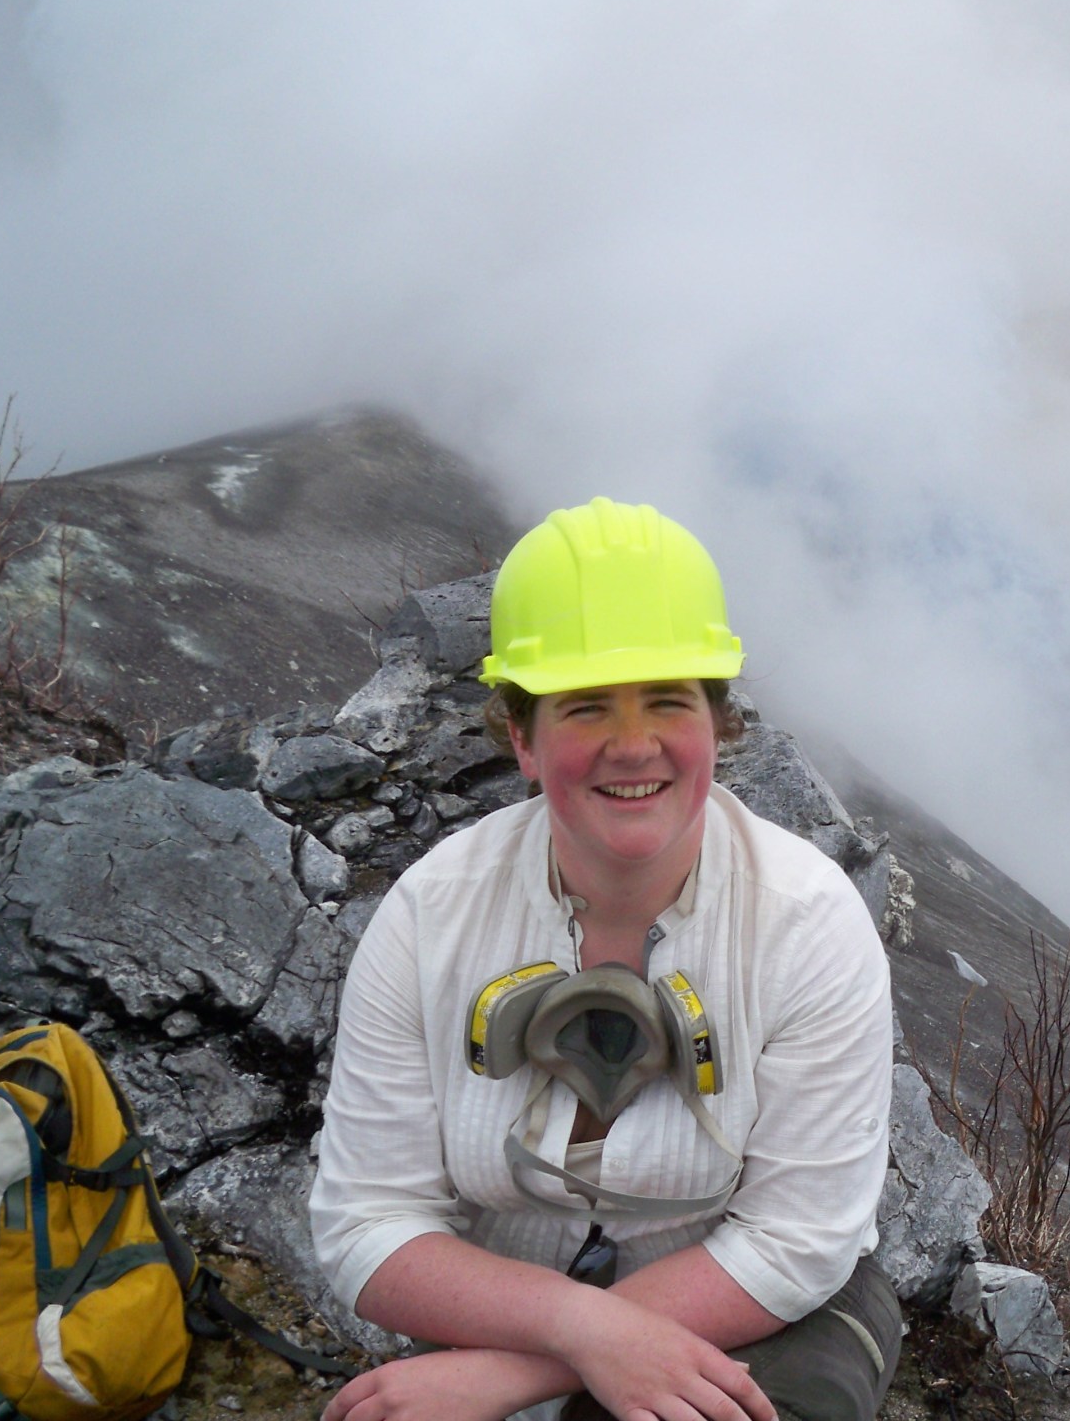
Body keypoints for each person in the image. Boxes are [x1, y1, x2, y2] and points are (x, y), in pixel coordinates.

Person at [310, 500, 899, 1421]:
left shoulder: (807, 925)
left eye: (669, 699)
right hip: (513, 1318)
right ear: (522, 739)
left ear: (718, 723)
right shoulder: (433, 917)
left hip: (764, 1315)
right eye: (587, 706)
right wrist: (580, 1333)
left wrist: (514, 1375)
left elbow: (796, 1243)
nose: (635, 745)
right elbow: (365, 1223)